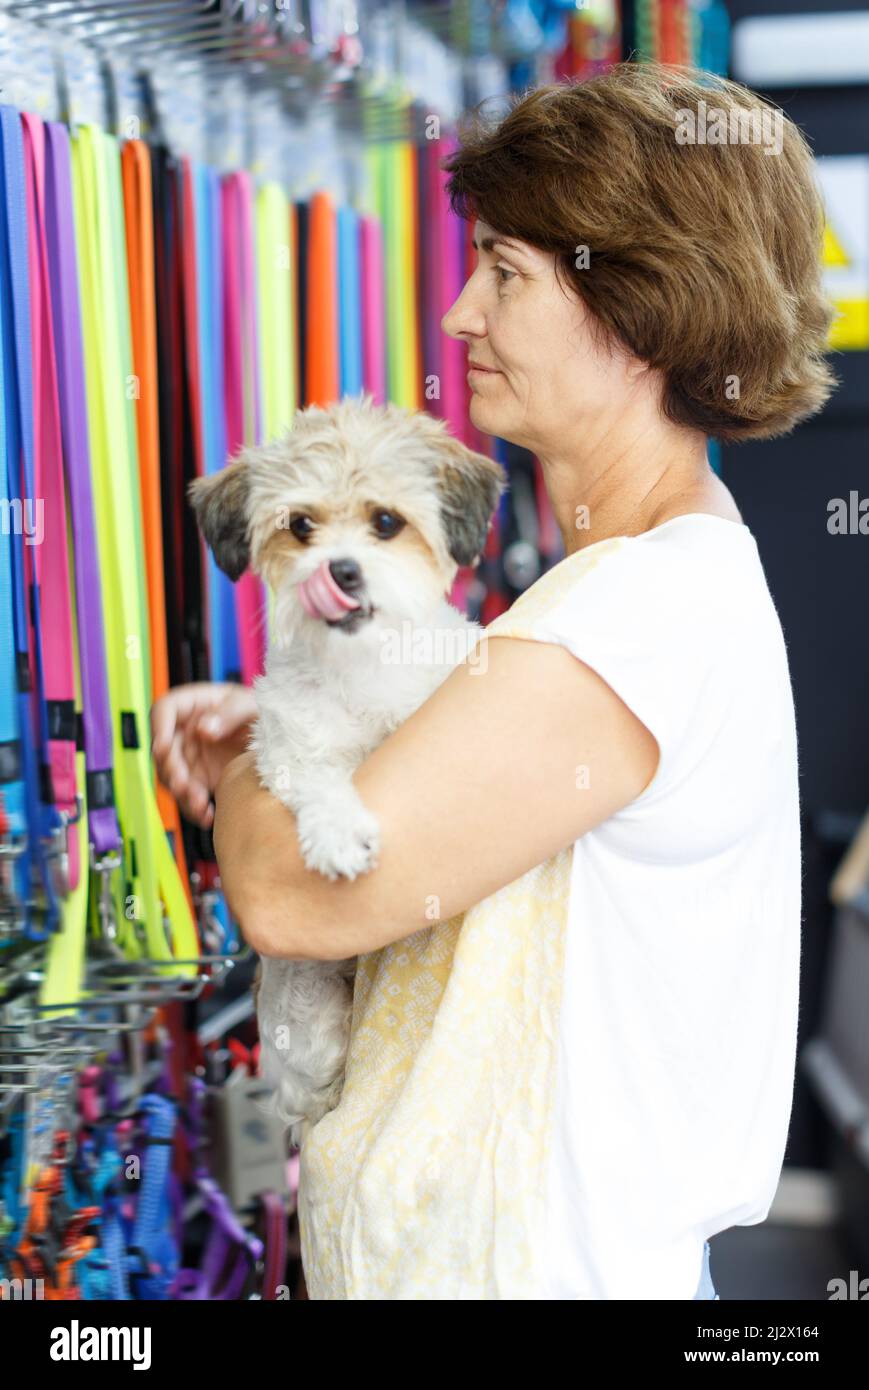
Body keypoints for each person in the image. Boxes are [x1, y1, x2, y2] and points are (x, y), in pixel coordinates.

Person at [151, 62, 834, 1299]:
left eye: (504, 274)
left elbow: (295, 891)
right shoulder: (633, 584)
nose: (460, 315)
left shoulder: (634, 617)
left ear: (640, 310)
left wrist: (259, 755)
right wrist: (292, 726)